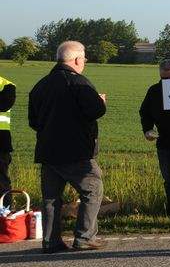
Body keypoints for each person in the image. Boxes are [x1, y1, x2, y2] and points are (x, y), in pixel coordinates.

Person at [27, 41, 106, 253]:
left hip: (47, 152)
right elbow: (96, 111)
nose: (85, 62)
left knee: (51, 199)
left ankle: (51, 242)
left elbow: (33, 121)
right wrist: (101, 101)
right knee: (93, 189)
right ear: (78, 60)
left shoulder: (40, 85)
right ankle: (84, 237)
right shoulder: (79, 82)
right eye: (85, 59)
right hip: (76, 151)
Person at [139, 59, 170, 217]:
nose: (168, 82)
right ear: (160, 76)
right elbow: (144, 112)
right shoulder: (154, 91)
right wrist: (147, 130)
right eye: (164, 79)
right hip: (166, 143)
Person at [0, 73, 15, 202]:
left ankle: (4, 216)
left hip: (0, 142)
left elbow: (4, 104)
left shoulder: (7, 86)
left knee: (1, 182)